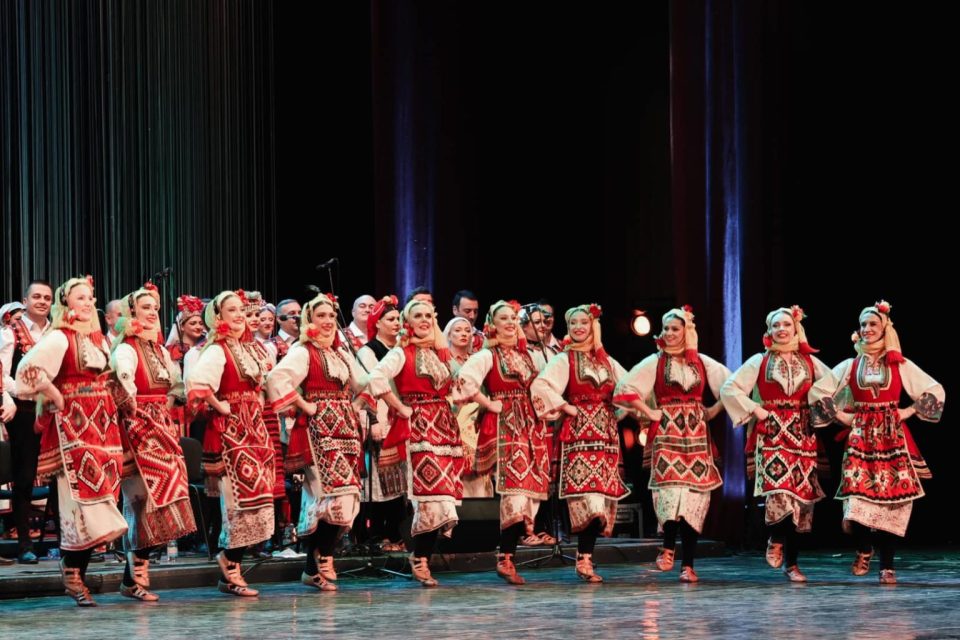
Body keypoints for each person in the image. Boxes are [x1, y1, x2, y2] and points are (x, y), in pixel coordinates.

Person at [613, 306, 730, 582]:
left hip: (696, 436)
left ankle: (688, 564)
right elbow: (625, 389)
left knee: (693, 499)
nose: (669, 333)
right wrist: (649, 412)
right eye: (665, 328)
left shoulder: (702, 362)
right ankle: (667, 545)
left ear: (687, 331)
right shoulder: (655, 361)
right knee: (669, 493)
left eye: (675, 328)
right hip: (667, 435)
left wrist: (714, 411)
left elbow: (732, 387)